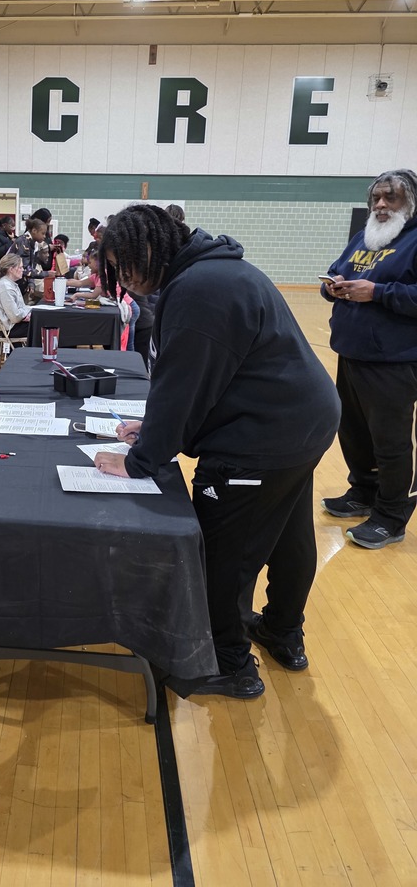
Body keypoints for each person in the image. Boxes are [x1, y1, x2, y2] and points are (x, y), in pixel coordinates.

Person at [94, 205, 340, 699]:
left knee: (221, 553)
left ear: (149, 249)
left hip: (261, 439)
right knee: (289, 538)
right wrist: (158, 428)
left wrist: (142, 458)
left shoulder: (198, 290)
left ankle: (229, 664)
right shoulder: (219, 270)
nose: (122, 279)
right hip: (303, 423)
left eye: (122, 267)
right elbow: (219, 378)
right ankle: (282, 631)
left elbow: (181, 387)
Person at [320, 168, 417, 549]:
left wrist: (376, 293)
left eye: (390, 197)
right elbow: (337, 273)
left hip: (394, 361)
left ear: (409, 202)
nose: (380, 204)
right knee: (354, 432)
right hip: (352, 352)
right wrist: (333, 287)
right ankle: (363, 492)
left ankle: (392, 516)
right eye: (376, 197)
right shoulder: (364, 238)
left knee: (390, 442)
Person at [0, 254, 31, 354]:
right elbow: (15, 317)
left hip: (14, 325)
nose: (23, 270)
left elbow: (21, 309)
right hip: (10, 329)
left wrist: (27, 312)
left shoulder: (10, 284)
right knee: (41, 326)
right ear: (11, 269)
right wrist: (27, 313)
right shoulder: (5, 288)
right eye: (20, 267)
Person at [9, 217, 51, 297]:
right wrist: (47, 274)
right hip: (11, 281)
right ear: (34, 231)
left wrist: (31, 283)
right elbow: (24, 268)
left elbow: (31, 266)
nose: (45, 236)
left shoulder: (33, 244)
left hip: (19, 281)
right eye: (43, 233)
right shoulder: (23, 242)